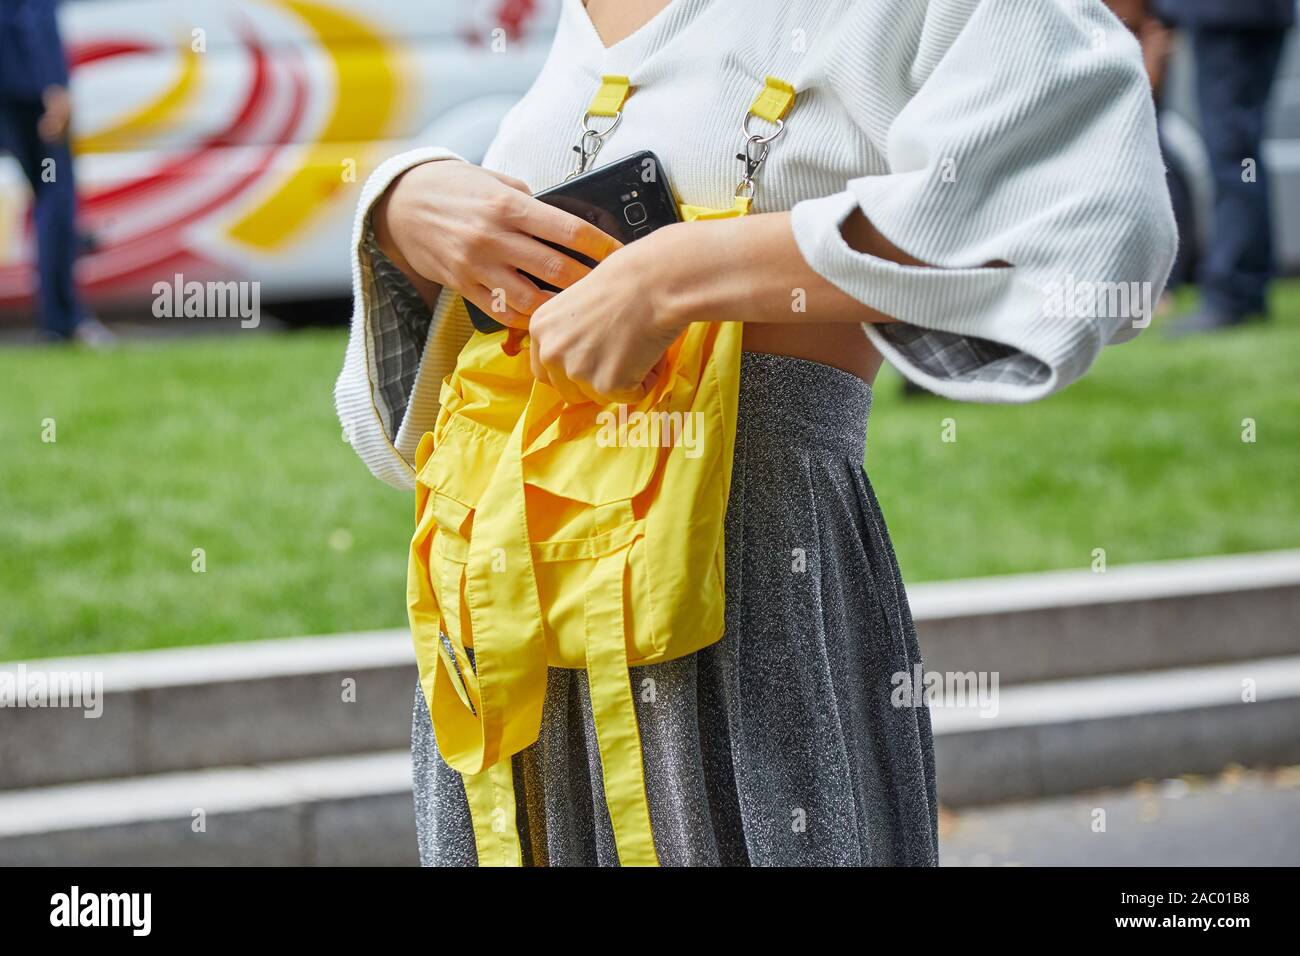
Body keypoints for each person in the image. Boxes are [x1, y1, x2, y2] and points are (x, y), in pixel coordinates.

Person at [337, 0, 1177, 866]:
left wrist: (685, 276)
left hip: (746, 597)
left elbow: (1090, 225)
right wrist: (403, 205)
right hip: (511, 647)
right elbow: (435, 413)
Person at [1156, 0, 1296, 334]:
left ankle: (1234, 292)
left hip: (1228, 15)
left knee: (1234, 155)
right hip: (1252, 15)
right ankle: (1245, 285)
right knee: (1241, 154)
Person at [0, 0, 107, 344]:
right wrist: (53, 86)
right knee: (55, 198)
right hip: (30, 93)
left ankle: (61, 318)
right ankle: (62, 320)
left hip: (12, 90)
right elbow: (32, 16)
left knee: (49, 195)